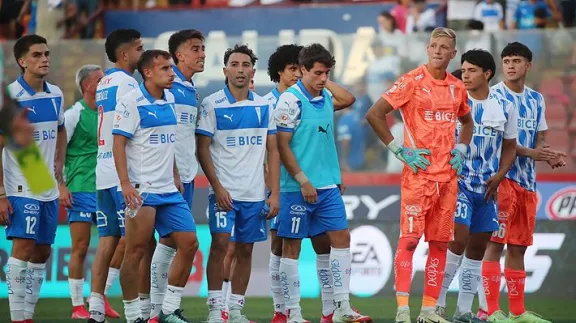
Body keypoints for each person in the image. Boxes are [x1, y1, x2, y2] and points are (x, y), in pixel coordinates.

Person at [365, 27, 474, 323]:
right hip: (418, 177)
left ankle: (428, 311)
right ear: (427, 48)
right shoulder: (411, 81)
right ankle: (403, 310)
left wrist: (462, 147)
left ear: (453, 54)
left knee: (439, 245)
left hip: (448, 179)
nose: (438, 51)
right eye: (434, 46)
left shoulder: (457, 87)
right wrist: (399, 150)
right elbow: (374, 114)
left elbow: (467, 121)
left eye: (445, 48)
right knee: (410, 241)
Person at [273, 43, 371, 323]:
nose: (322, 79)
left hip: (327, 187)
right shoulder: (289, 101)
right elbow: (282, 146)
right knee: (290, 248)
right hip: (296, 188)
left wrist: (324, 80)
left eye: (326, 73)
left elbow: (349, 98)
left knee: (341, 239)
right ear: (302, 70)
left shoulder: (325, 95)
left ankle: (340, 308)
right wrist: (303, 181)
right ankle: (293, 313)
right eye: (316, 72)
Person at [481, 42, 566, 323]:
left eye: (517, 60)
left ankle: (517, 312)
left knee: (519, 247)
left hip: (528, 183)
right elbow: (497, 141)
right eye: (506, 61)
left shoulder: (536, 99)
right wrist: (533, 152)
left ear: (528, 65)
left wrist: (547, 153)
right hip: (503, 180)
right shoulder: (494, 96)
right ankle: (491, 310)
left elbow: (540, 136)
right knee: (496, 244)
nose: (511, 65)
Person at [113, 49, 199, 323]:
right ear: (148, 72)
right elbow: (118, 143)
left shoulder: (171, 98)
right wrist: (126, 184)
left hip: (168, 190)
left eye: (171, 68)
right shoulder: (131, 102)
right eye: (165, 68)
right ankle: (132, 316)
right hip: (142, 191)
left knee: (189, 243)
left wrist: (174, 172)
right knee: (136, 251)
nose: (171, 73)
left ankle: (169, 310)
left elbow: (168, 141)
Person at [197, 44, 280, 323]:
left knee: (246, 249)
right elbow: (202, 149)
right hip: (224, 193)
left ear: (253, 71)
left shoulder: (264, 105)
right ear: (225, 70)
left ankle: (235, 310)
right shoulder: (212, 104)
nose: (240, 70)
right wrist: (217, 187)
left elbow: (273, 150)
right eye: (235, 64)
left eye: (245, 65)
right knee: (220, 244)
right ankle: (214, 308)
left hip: (255, 194)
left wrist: (274, 193)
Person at [434, 49, 518, 323]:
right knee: (457, 240)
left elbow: (510, 147)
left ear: (487, 74)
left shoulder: (505, 105)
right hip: (458, 183)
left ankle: (464, 311)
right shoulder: (454, 101)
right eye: (464, 69)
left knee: (477, 249)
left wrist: (501, 174)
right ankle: (438, 304)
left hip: (488, 188)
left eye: (471, 70)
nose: (465, 75)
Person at [0, 34, 67, 323]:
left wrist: (59, 163)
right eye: (37, 55)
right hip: (21, 178)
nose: (44, 59)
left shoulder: (56, 94)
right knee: (24, 247)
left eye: (47, 54)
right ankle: (19, 318)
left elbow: (61, 129)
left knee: (42, 251)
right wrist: (1, 193)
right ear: (22, 61)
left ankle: (28, 313)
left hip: (44, 181)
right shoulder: (10, 97)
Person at [148, 29, 205, 323]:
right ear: (179, 55)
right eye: (195, 48)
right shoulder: (166, 88)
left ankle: (159, 311)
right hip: (163, 180)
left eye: (203, 48)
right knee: (170, 243)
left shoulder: (191, 90)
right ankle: (161, 309)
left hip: (185, 176)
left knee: (170, 242)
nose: (202, 53)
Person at [88, 28, 144, 323]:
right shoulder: (128, 85)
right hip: (124, 174)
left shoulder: (104, 82)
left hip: (103, 170)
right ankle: (137, 310)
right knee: (137, 244)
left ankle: (95, 306)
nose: (142, 53)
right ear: (125, 54)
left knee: (108, 240)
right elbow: (133, 129)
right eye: (139, 48)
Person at [63, 64, 105, 319]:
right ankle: (78, 305)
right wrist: (61, 185)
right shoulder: (73, 114)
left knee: (117, 243)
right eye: (100, 80)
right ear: (88, 86)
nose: (105, 83)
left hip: (104, 189)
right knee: (80, 247)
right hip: (79, 188)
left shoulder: (105, 113)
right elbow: (58, 151)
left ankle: (97, 296)